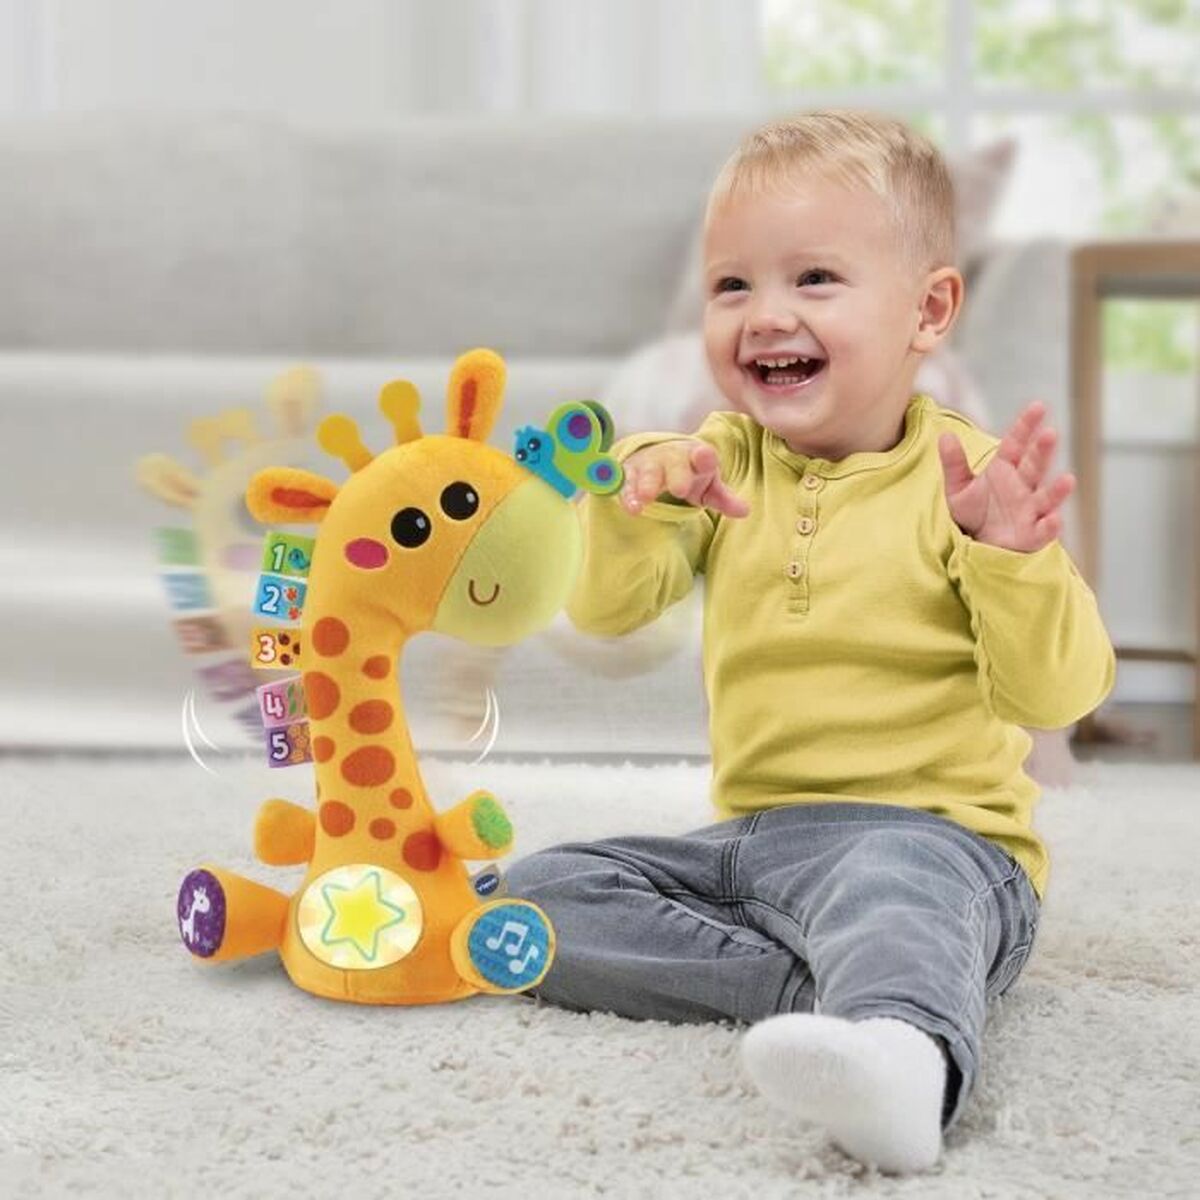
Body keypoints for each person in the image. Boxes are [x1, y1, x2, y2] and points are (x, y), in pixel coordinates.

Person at [504, 110, 1115, 1174]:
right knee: (535, 895)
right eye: (732, 286)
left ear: (929, 311)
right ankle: (833, 997)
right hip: (755, 848)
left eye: (816, 279)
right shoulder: (716, 457)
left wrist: (1009, 559)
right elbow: (607, 612)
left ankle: (904, 1061)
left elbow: (1055, 693)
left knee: (890, 893)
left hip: (938, 847)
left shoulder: (968, 481)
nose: (765, 315)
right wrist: (637, 505)